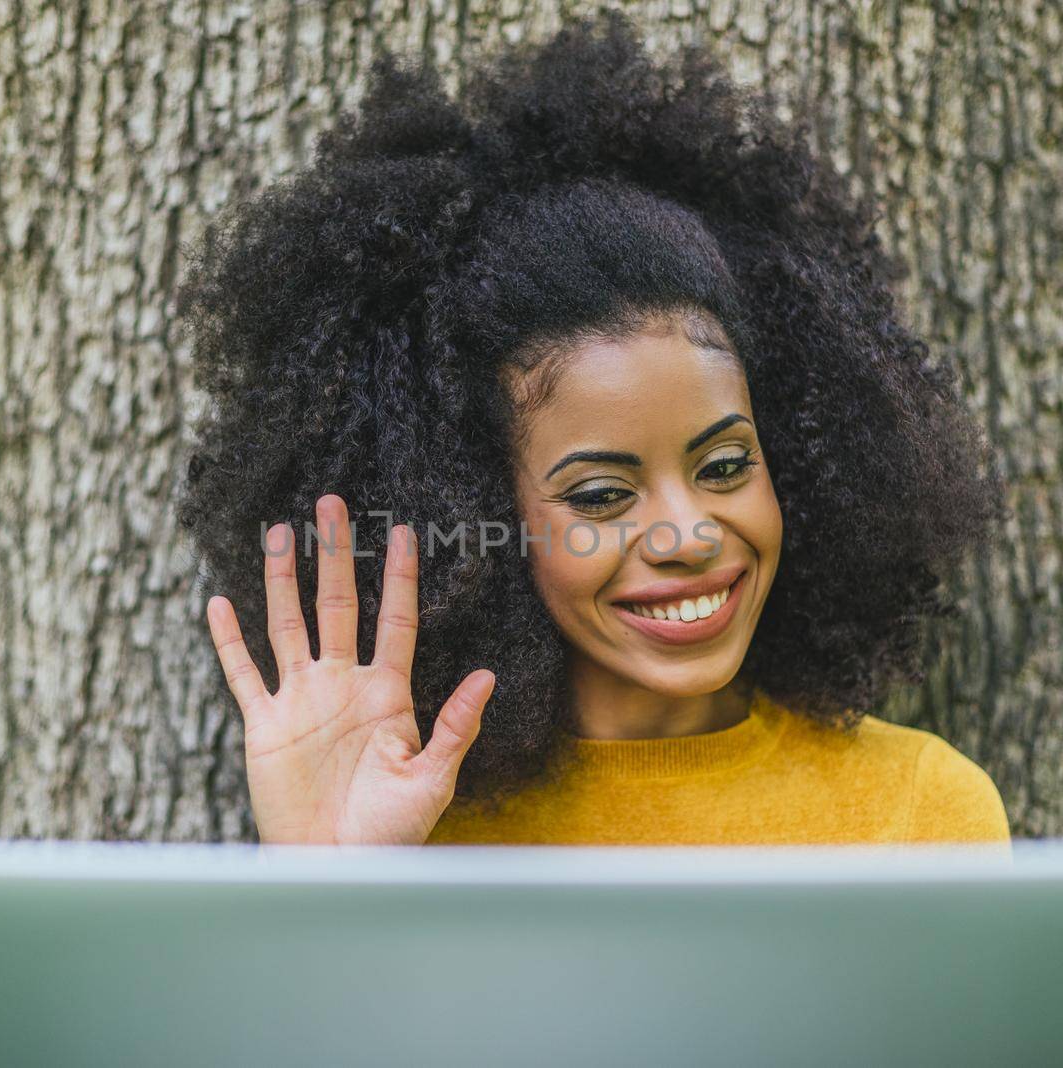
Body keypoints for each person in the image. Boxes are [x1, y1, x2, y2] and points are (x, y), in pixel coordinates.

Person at [176, 12, 1012, 848]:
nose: (687, 535)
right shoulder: (409, 829)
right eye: (604, 494)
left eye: (725, 466)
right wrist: (326, 876)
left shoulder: (920, 812)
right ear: (479, 527)